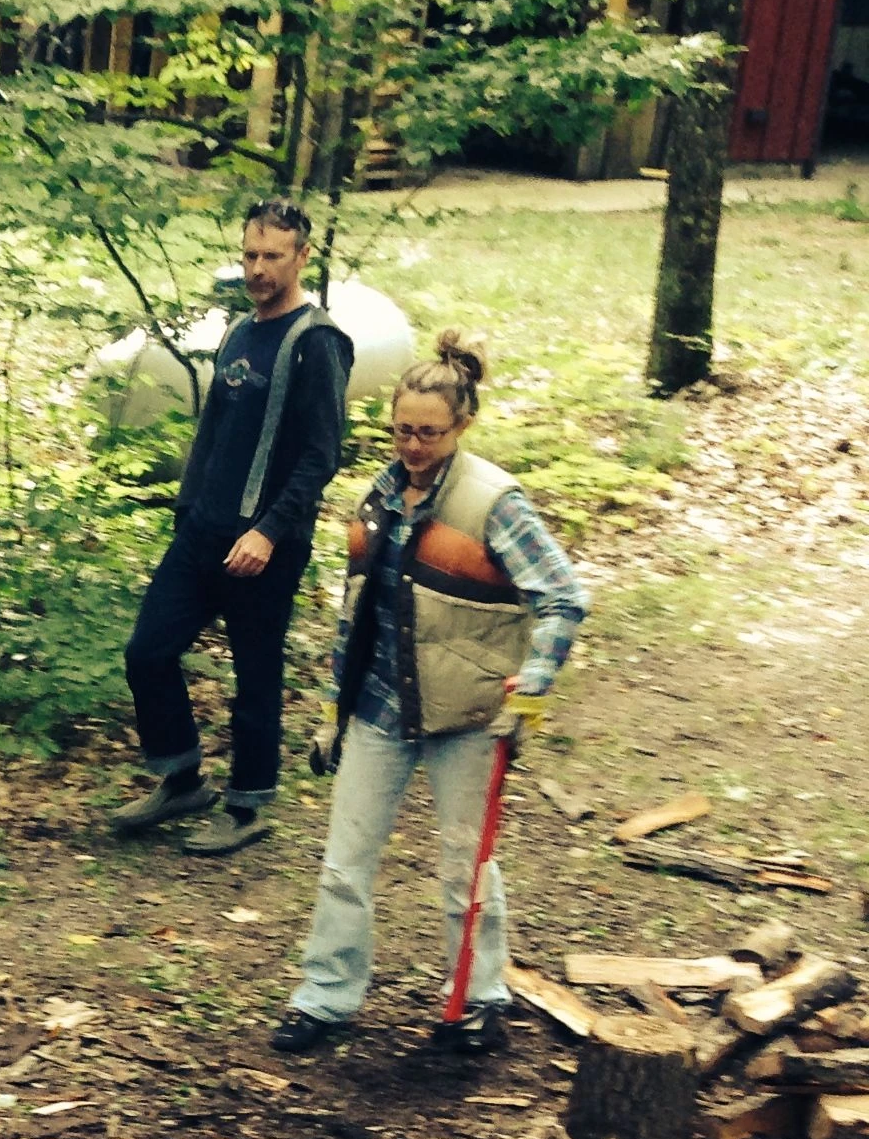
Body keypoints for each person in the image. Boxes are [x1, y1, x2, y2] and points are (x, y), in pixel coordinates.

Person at [271, 333, 588, 1059]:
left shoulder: (493, 502)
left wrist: (532, 689)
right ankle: (326, 997)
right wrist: (331, 708)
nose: (412, 445)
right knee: (345, 862)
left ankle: (476, 1002)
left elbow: (564, 599)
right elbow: (356, 609)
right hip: (381, 706)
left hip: (469, 714)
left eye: (429, 432)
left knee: (462, 867)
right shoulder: (378, 495)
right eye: (401, 430)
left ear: (463, 425)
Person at [113, 199, 358, 856]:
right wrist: (186, 515)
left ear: (301, 257)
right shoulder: (240, 331)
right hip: (204, 533)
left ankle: (248, 808)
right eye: (250, 254)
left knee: (254, 677)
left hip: (266, 545)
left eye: (271, 257)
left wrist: (270, 531)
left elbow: (321, 454)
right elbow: (212, 432)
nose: (257, 268)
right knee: (148, 652)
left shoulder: (317, 342)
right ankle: (182, 780)